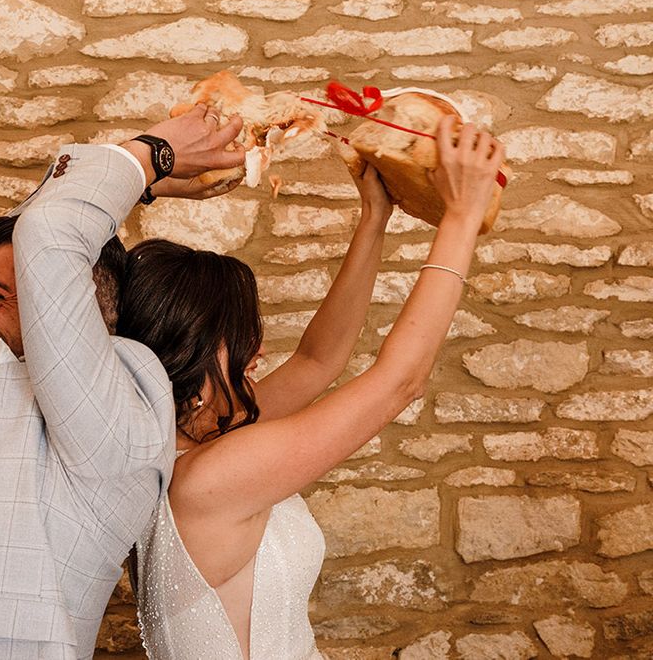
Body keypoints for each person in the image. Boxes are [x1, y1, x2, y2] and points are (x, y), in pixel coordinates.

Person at [125, 116, 506, 659]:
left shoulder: (181, 442)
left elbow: (317, 360)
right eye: (244, 339)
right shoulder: (210, 479)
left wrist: (374, 218)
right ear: (193, 349)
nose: (260, 353)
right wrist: (462, 218)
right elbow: (400, 381)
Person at [0, 104, 245, 659]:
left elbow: (49, 234)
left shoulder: (119, 394)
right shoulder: (19, 380)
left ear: (76, 304)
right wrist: (140, 188)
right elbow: (36, 226)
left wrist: (152, 157)